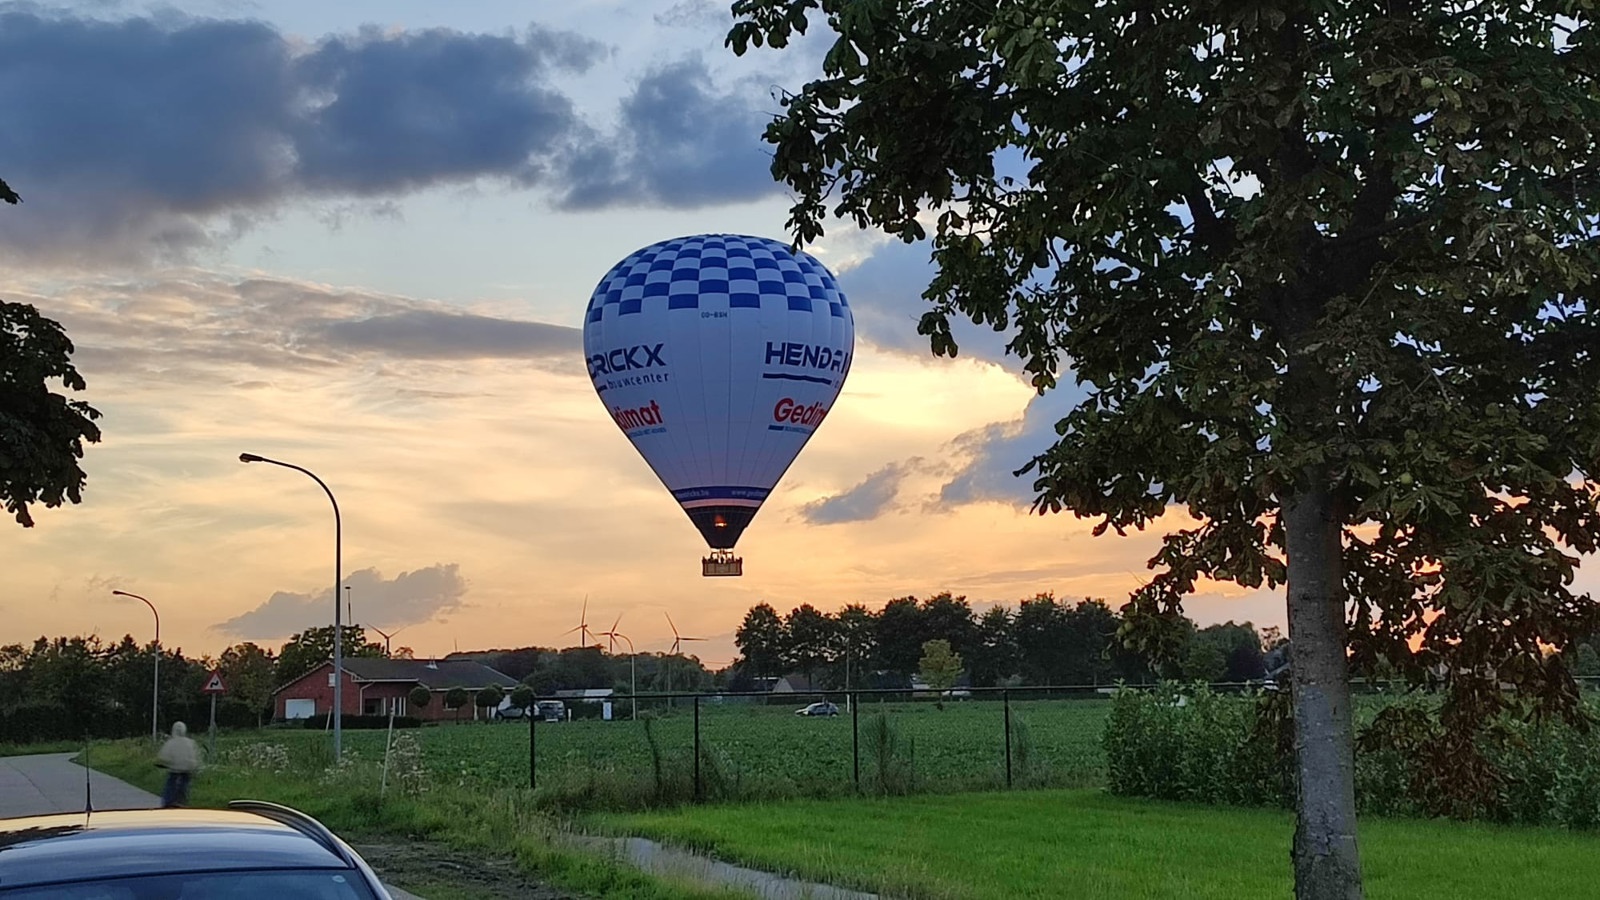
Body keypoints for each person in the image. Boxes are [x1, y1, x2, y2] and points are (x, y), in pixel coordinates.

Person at [156, 721, 200, 808]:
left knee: (170, 785)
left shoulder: (171, 743)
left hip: (174, 770)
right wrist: (193, 766)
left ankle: (167, 803)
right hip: (186, 771)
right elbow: (194, 757)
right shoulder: (190, 743)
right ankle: (183, 802)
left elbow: (163, 756)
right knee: (185, 786)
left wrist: (164, 763)